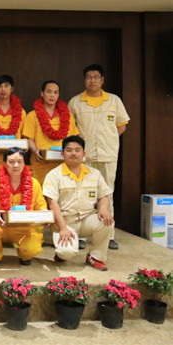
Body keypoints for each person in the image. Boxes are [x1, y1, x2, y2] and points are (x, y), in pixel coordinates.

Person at [68, 64, 129, 250]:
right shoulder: (75, 102)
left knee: (107, 193)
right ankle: (81, 235)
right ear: (84, 80)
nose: (92, 80)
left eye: (96, 77)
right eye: (89, 77)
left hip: (108, 155)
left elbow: (121, 125)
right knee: (82, 194)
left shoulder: (114, 101)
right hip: (84, 157)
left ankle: (108, 235)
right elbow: (70, 129)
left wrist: (108, 140)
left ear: (102, 80)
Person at [43, 135, 114, 271]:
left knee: (107, 221)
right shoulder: (54, 175)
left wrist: (103, 208)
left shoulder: (95, 174)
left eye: (77, 150)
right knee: (66, 253)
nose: (73, 153)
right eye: (69, 150)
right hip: (65, 222)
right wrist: (63, 228)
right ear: (63, 154)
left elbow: (104, 196)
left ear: (84, 153)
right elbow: (52, 204)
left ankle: (95, 257)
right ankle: (61, 253)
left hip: (86, 219)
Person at [0, 147, 47, 268]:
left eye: (19, 161)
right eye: (11, 162)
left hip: (24, 228)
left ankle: (25, 255)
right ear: (4, 163)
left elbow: (42, 208)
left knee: (31, 249)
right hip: (1, 226)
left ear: (24, 163)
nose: (15, 165)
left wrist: (46, 217)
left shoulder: (34, 184)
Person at [22, 80, 79, 185]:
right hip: (40, 163)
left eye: (55, 92)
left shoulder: (68, 116)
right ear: (42, 93)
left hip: (62, 163)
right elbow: (28, 138)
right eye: (49, 92)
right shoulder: (32, 115)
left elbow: (73, 139)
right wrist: (35, 150)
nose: (52, 95)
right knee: (41, 192)